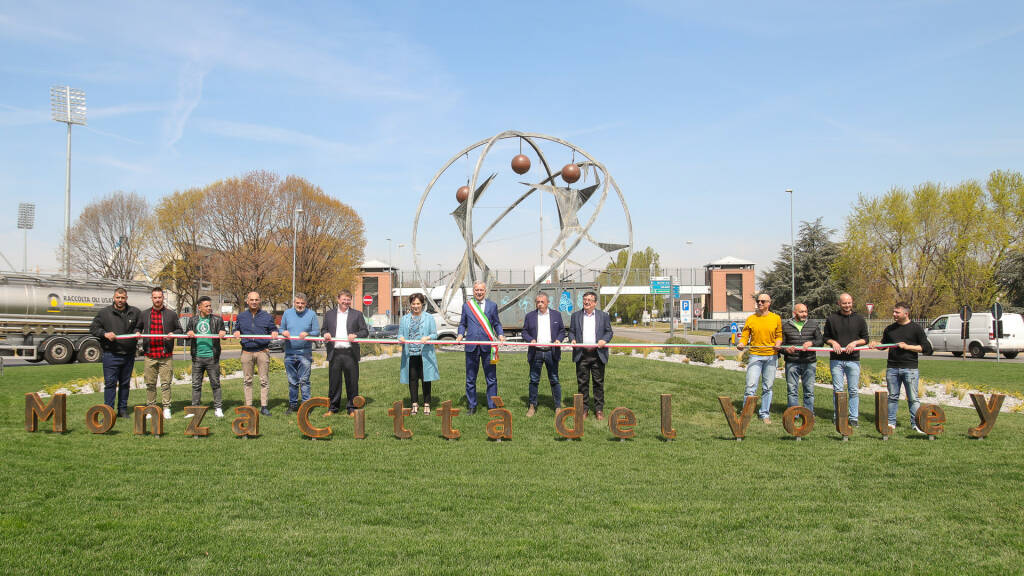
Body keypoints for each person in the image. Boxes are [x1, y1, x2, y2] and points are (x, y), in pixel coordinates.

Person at [871, 302, 931, 434]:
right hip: (892, 368)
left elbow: (926, 348)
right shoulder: (890, 329)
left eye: (897, 312)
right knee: (892, 397)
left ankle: (916, 424)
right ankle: (891, 423)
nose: (894, 314)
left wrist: (907, 346)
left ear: (906, 313)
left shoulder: (916, 328)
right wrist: (876, 345)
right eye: (894, 312)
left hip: (910, 369)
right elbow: (884, 346)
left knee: (913, 398)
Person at [89, 287, 143, 418]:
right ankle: (109, 410)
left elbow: (140, 325)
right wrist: (105, 334)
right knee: (110, 384)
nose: (120, 300)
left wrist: (137, 331)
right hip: (111, 355)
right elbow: (93, 328)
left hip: (128, 355)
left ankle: (122, 410)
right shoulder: (104, 313)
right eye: (118, 297)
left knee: (125, 384)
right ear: (114, 298)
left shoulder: (134, 312)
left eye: (123, 298)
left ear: (126, 298)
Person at [455, 281, 504, 414]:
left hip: (488, 347)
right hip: (471, 347)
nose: (479, 292)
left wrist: (500, 335)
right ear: (473, 291)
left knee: (491, 378)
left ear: (485, 291)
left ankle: (492, 406)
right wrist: (460, 334)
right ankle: (472, 406)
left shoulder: (492, 306)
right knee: (470, 378)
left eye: (481, 290)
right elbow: (462, 324)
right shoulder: (467, 306)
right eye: (476, 290)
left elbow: (497, 323)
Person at [823, 293, 869, 426]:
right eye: (844, 303)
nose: (847, 305)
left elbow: (866, 339)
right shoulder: (832, 319)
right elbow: (825, 337)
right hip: (836, 360)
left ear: (852, 303)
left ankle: (853, 417)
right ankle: (838, 415)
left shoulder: (860, 319)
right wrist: (833, 342)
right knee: (838, 390)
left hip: (853, 360)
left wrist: (855, 343)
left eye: (849, 303)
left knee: (853, 390)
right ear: (839, 303)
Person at [736, 293, 783, 423]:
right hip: (755, 356)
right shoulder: (751, 319)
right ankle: (746, 413)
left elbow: (779, 335)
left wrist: (778, 343)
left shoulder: (776, 318)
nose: (760, 303)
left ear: (769, 303)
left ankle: (764, 414)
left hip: (771, 356)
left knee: (767, 387)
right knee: (750, 386)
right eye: (758, 301)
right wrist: (742, 343)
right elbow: (745, 335)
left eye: (763, 301)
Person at [322, 289, 369, 416]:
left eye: (348, 299)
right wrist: (325, 333)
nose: (346, 302)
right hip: (335, 353)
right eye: (344, 299)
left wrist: (356, 334)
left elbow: (365, 331)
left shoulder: (357, 314)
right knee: (334, 383)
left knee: (352, 382)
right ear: (338, 299)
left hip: (350, 354)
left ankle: (352, 408)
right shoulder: (329, 314)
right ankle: (332, 408)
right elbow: (324, 329)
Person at [568, 291, 613, 420]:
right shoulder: (575, 316)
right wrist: (572, 339)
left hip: (598, 354)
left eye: (589, 300)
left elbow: (609, 332)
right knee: (582, 383)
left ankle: (599, 410)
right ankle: (584, 409)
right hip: (581, 354)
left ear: (595, 303)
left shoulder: (603, 316)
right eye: (585, 299)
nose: (586, 302)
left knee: (598, 383)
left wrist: (604, 340)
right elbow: (571, 331)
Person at [233, 291, 279, 416]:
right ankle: (249, 406)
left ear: (260, 301)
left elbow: (273, 329)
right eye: (251, 300)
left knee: (264, 380)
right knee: (247, 380)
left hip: (262, 352)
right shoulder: (241, 316)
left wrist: (275, 332)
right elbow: (236, 329)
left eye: (256, 300)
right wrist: (236, 331)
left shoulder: (267, 316)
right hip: (246, 352)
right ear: (247, 301)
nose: (254, 302)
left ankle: (264, 406)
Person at [522, 291, 566, 417]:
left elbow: (562, 331)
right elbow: (524, 332)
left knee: (554, 379)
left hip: (551, 352)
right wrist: (530, 339)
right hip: (536, 353)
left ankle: (557, 406)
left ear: (548, 302)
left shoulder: (556, 315)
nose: (540, 304)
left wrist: (558, 339)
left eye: (542, 302)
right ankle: (532, 406)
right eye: (538, 302)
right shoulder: (530, 316)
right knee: (534, 380)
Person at [140, 287, 181, 420]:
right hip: (150, 355)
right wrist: (136, 332)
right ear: (152, 298)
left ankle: (166, 408)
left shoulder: (171, 314)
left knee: (166, 384)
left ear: (163, 298)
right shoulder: (145, 314)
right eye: (155, 297)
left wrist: (173, 334)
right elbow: (137, 327)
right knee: (150, 384)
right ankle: (151, 408)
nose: (157, 300)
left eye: (160, 297)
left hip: (165, 355)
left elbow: (180, 330)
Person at [398, 293, 439, 415]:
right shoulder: (404, 319)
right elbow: (400, 334)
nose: (415, 306)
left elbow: (434, 334)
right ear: (410, 305)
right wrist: (401, 338)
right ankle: (414, 404)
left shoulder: (429, 318)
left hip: (425, 354)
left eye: (418, 304)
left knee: (426, 379)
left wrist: (427, 337)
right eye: (413, 304)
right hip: (410, 355)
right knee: (412, 379)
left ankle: (427, 404)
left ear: (422, 304)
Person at [185, 296, 226, 418]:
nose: (209, 308)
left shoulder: (217, 320)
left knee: (215, 383)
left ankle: (218, 408)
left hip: (212, 357)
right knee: (196, 384)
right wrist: (189, 333)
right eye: (206, 306)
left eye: (210, 306)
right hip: (197, 357)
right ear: (199, 307)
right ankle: (195, 408)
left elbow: (223, 332)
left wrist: (223, 333)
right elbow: (187, 334)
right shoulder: (192, 320)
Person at [280, 292, 320, 415]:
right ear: (294, 303)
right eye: (298, 303)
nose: (300, 305)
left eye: (302, 303)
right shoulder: (287, 313)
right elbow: (280, 328)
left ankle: (306, 406)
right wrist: (283, 332)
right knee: (292, 381)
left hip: (305, 353)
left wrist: (308, 334)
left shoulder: (312, 314)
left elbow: (317, 331)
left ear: (306, 304)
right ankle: (292, 405)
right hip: (290, 352)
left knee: (304, 381)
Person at [780, 302, 822, 412]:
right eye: (801, 312)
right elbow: (780, 346)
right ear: (794, 313)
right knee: (792, 390)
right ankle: (793, 414)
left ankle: (808, 413)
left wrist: (811, 343)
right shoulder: (786, 326)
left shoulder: (813, 324)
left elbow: (820, 341)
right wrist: (786, 350)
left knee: (809, 390)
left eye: (806, 311)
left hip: (809, 361)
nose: (804, 314)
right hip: (792, 362)